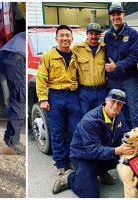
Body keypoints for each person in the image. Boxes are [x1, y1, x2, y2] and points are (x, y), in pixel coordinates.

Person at [52, 89, 134, 197]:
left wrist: (134, 146)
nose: (115, 106)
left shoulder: (119, 115)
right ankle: (70, 178)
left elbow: (124, 136)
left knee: (129, 156)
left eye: (119, 103)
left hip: (103, 150)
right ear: (106, 100)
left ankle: (100, 170)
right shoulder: (90, 120)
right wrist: (117, 150)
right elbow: (93, 150)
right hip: (84, 156)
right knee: (91, 195)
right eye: (113, 101)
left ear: (122, 105)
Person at [36, 25, 81, 175]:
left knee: (75, 130)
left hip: (73, 96)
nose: (65, 38)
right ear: (56, 38)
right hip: (55, 96)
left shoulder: (76, 55)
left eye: (67, 35)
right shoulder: (48, 56)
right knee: (57, 131)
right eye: (61, 35)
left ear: (72, 38)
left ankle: (72, 160)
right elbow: (41, 78)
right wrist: (43, 98)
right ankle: (61, 164)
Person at [103, 4, 138, 135]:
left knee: (136, 114)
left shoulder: (132, 33)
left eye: (118, 14)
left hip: (129, 80)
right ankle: (127, 143)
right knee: (119, 114)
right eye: (113, 14)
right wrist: (107, 73)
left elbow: (135, 56)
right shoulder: (107, 35)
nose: (116, 17)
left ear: (123, 15)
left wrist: (117, 66)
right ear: (110, 17)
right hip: (113, 81)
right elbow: (105, 57)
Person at [0, 32, 26, 154]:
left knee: (15, 98)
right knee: (20, 99)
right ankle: (13, 143)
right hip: (15, 59)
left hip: (4, 56)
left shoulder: (23, 33)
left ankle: (9, 139)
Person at [72, 22, 107, 116]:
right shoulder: (77, 48)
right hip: (85, 91)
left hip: (101, 91)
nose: (93, 36)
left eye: (96, 34)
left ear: (100, 35)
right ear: (86, 34)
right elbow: (64, 53)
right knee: (86, 118)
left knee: (101, 116)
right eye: (91, 33)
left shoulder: (105, 48)